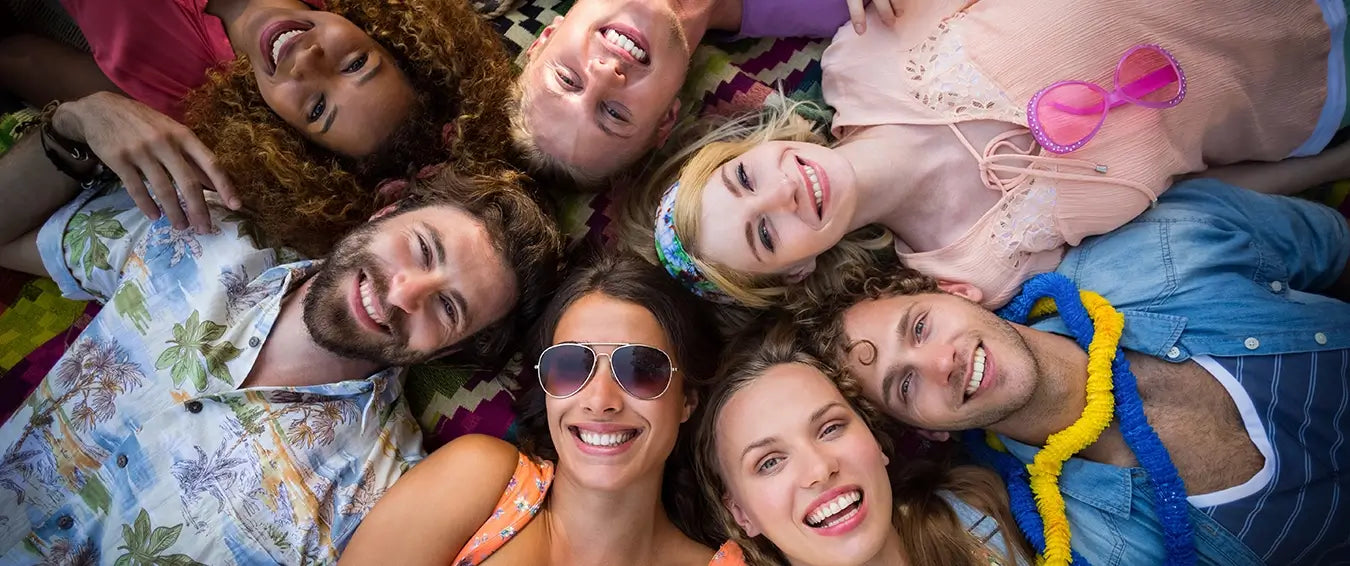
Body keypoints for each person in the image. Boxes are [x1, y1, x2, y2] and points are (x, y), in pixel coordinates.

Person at [0, 154, 562, 562]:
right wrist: (68, 129)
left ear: (452, 349)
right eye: (420, 248)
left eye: (445, 308)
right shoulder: (196, 233)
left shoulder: (375, 500)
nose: (401, 294)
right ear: (385, 210)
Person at [622, 0, 1350, 309]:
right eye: (765, 234)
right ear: (798, 268)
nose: (778, 194)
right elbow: (1200, 198)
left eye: (745, 178)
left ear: (763, 143)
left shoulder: (865, 49)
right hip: (1314, 103)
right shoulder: (974, 272)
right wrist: (1334, 164)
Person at [801, 178, 1350, 563]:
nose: (940, 363)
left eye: (919, 327)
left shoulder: (1161, 246)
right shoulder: (1105, 547)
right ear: (929, 431)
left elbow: (1334, 242)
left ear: (957, 292)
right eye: (904, 383)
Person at [5, 0, 514, 255]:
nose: (309, 61)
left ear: (283, 139)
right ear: (383, 35)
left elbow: (17, 56)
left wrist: (86, 117)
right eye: (357, 63)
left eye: (316, 110)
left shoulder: (173, 97)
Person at [341, 254, 746, 565]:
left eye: (641, 369)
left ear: (686, 400)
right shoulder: (479, 478)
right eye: (570, 365)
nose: (600, 399)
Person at [692, 317, 1031, 565]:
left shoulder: (988, 511)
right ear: (740, 513)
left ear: (874, 439)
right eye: (770, 462)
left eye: (830, 428)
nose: (820, 469)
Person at [510, 0, 896, 187]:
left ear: (544, 39)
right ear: (666, 120)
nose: (606, 75)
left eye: (567, 79)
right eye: (613, 113)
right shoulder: (841, 11)